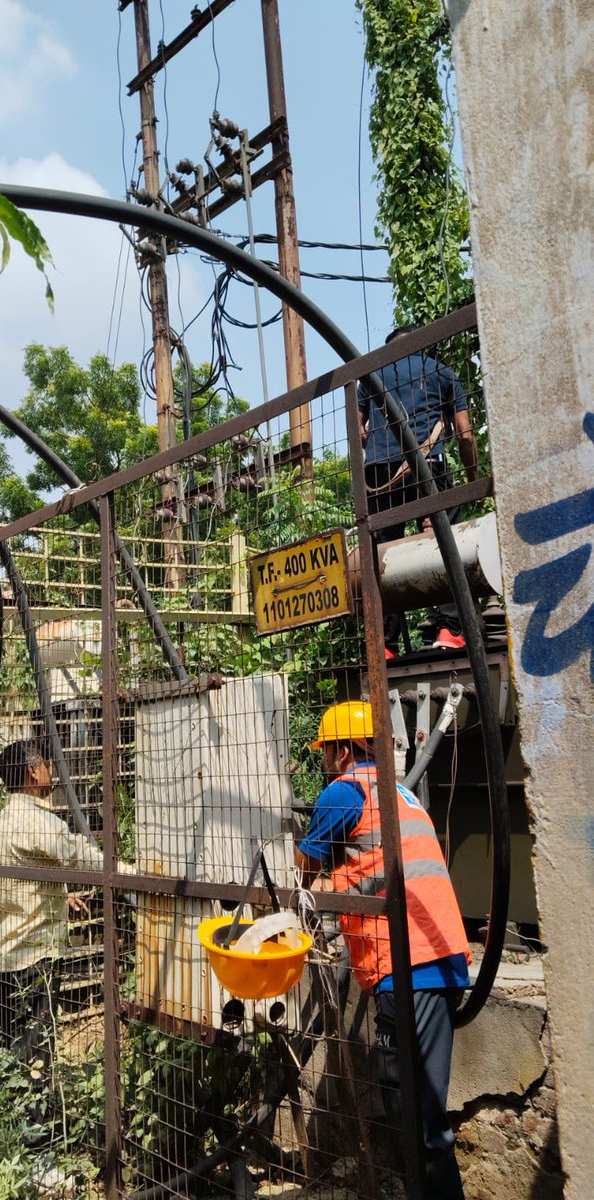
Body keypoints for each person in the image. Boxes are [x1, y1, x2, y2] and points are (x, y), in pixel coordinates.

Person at [295, 702, 469, 1199]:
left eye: (326, 752)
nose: (325, 762)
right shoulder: (398, 793)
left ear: (345, 750)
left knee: (407, 1110)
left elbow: (305, 866)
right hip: (443, 958)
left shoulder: (343, 790)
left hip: (404, 964)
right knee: (426, 1111)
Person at [0, 738, 107, 1131]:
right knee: (37, 1051)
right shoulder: (38, 822)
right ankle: (36, 1142)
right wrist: (128, 872)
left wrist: (60, 893)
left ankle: (12, 1131)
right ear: (33, 771)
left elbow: (20, 878)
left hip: (4, 953)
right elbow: (82, 858)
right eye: (47, 765)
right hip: (34, 956)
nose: (51, 771)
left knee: (14, 1043)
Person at [359, 326, 478, 656]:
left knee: (383, 553)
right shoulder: (441, 371)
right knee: (442, 538)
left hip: (379, 474)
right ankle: (448, 628)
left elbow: (358, 430)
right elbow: (465, 434)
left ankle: (385, 644)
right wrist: (472, 478)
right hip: (428, 465)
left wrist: (379, 448)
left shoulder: (370, 377)